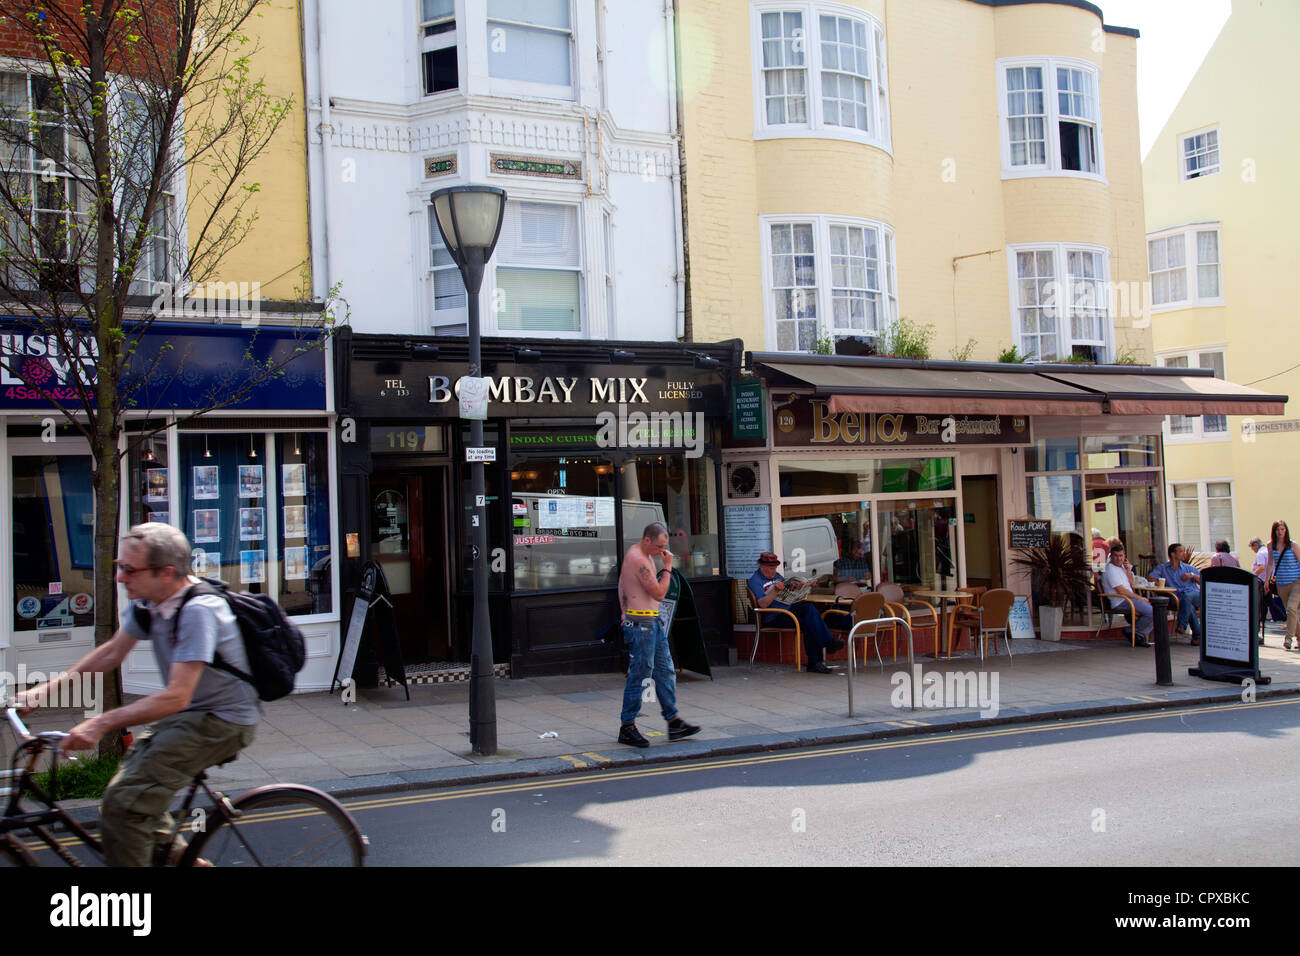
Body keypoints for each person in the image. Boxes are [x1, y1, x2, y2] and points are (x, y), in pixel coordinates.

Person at [13, 523, 259, 866]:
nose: (120, 578)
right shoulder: (150, 604)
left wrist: (99, 723)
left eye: (129, 570)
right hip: (192, 715)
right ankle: (187, 862)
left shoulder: (197, 611)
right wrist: (42, 692)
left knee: (124, 804)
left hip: (223, 721)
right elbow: (111, 653)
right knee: (127, 790)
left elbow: (176, 697)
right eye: (119, 567)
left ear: (166, 573)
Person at [615, 522, 701, 748]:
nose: (662, 551)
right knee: (641, 675)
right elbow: (660, 593)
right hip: (642, 624)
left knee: (665, 671)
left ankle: (673, 721)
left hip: (651, 622)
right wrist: (669, 567)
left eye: (665, 547)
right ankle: (627, 726)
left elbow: (622, 585)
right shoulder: (640, 560)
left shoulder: (642, 554)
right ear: (647, 540)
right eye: (659, 546)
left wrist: (624, 610)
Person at [747, 551, 844, 673]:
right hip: (773, 616)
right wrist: (775, 591)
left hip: (788, 609)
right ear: (762, 567)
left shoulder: (777, 576)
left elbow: (788, 591)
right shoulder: (755, 581)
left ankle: (820, 656)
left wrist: (804, 587)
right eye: (771, 568)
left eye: (775, 568)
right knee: (809, 623)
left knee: (809, 609)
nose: (773, 571)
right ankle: (819, 656)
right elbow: (763, 604)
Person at [1101, 540, 1153, 646]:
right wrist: (1139, 598)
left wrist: (1128, 570)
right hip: (1120, 601)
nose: (1119, 558)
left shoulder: (1122, 568)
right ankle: (1135, 632)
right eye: (1116, 556)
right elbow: (1121, 590)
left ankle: (1137, 634)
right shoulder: (1110, 570)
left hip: (1128, 599)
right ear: (1111, 556)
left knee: (1155, 608)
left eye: (1121, 556)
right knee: (1152, 611)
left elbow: (1131, 584)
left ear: (1124, 556)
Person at [1150, 543, 1202, 645]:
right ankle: (1198, 636)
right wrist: (1161, 585)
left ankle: (1182, 624)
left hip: (1194, 595)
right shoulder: (1163, 568)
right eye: (1181, 551)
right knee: (1188, 605)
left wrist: (1192, 576)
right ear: (1173, 554)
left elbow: (1203, 581)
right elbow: (1150, 578)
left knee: (1187, 596)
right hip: (1177, 597)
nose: (1184, 554)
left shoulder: (1188, 568)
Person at [1261, 520, 1300, 651]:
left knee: (1291, 609)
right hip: (1282, 583)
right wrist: (1267, 580)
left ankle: (1288, 639)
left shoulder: (1293, 545)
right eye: (1278, 529)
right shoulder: (1270, 545)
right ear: (1274, 531)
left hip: (1296, 582)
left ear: (1286, 530)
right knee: (1291, 613)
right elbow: (1270, 563)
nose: (1280, 532)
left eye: (1282, 529)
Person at [1251, 536, 1288, 626]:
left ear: (1255, 545)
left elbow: (1261, 567)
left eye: (1252, 548)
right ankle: (1262, 621)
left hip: (1262, 581)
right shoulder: (1267, 551)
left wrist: (1252, 576)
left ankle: (1285, 619)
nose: (1252, 550)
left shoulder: (1260, 553)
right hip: (1271, 579)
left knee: (1267, 603)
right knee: (1265, 602)